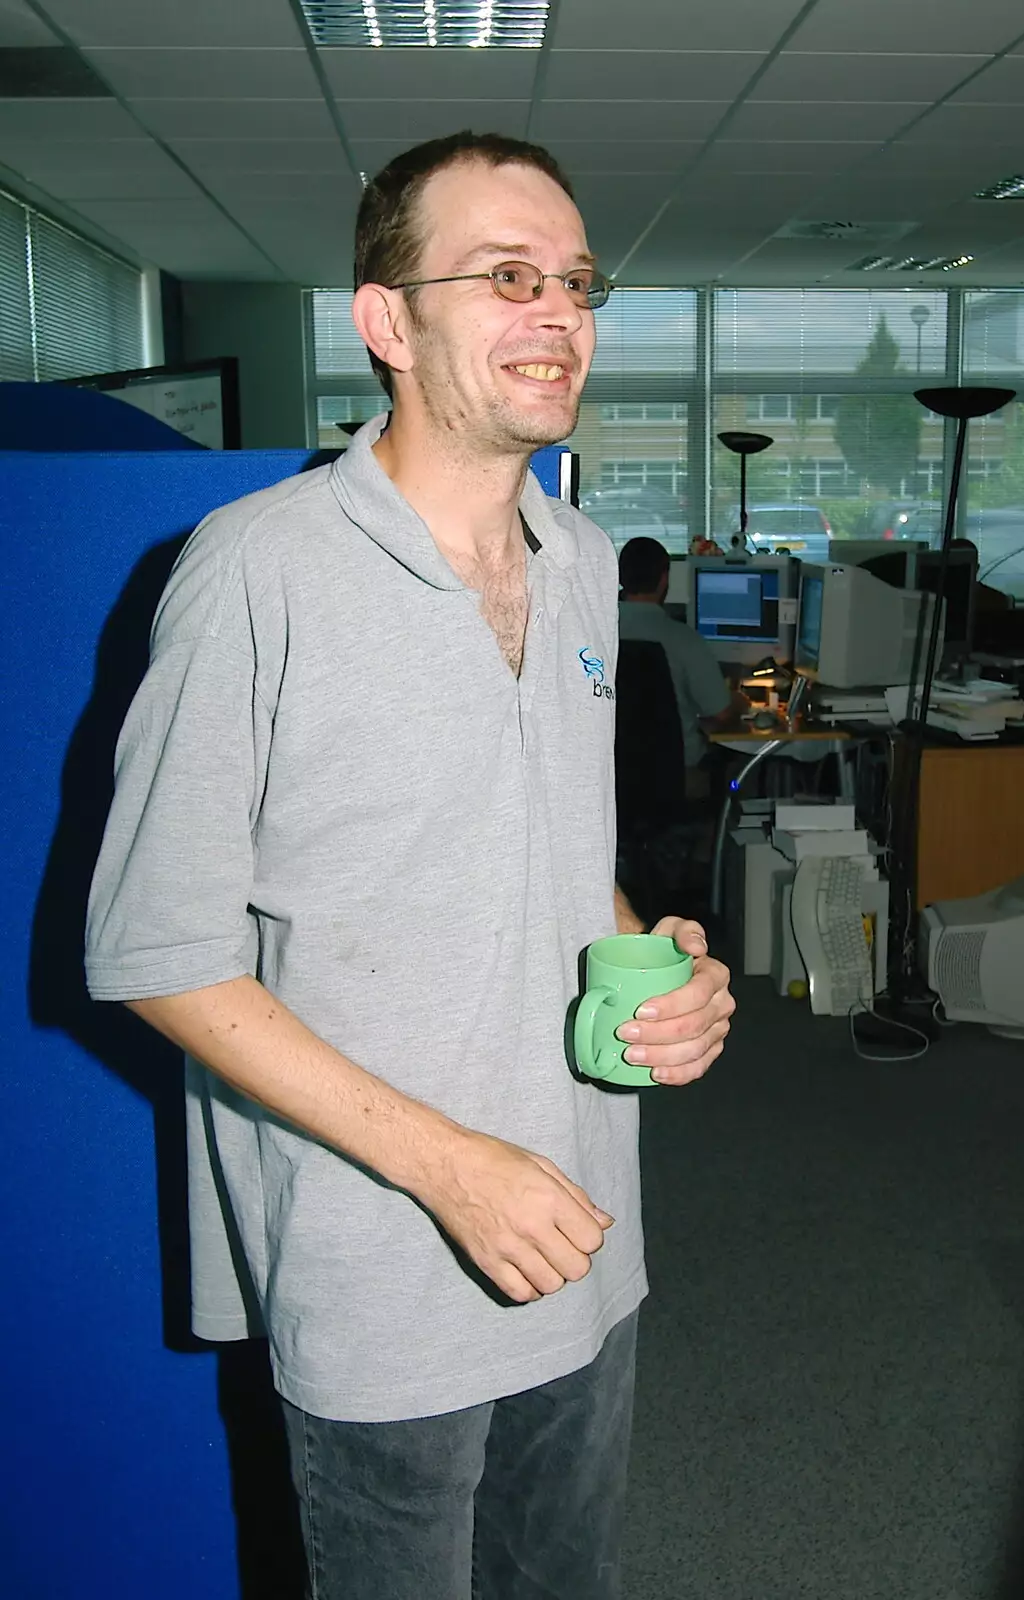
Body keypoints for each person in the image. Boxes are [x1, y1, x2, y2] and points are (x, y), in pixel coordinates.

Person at [85, 131, 735, 1600]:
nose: (559, 312)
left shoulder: (578, 555)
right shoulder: (255, 570)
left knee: (561, 1580)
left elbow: (558, 854)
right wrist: (451, 1169)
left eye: (575, 280)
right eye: (507, 275)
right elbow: (155, 948)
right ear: (386, 320)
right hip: (385, 1245)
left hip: (582, 1216)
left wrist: (662, 970)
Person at [618, 536, 746, 792]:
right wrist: (742, 700)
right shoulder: (684, 639)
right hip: (677, 776)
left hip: (612, 781)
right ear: (664, 578)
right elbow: (720, 713)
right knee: (742, 769)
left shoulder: (596, 633)